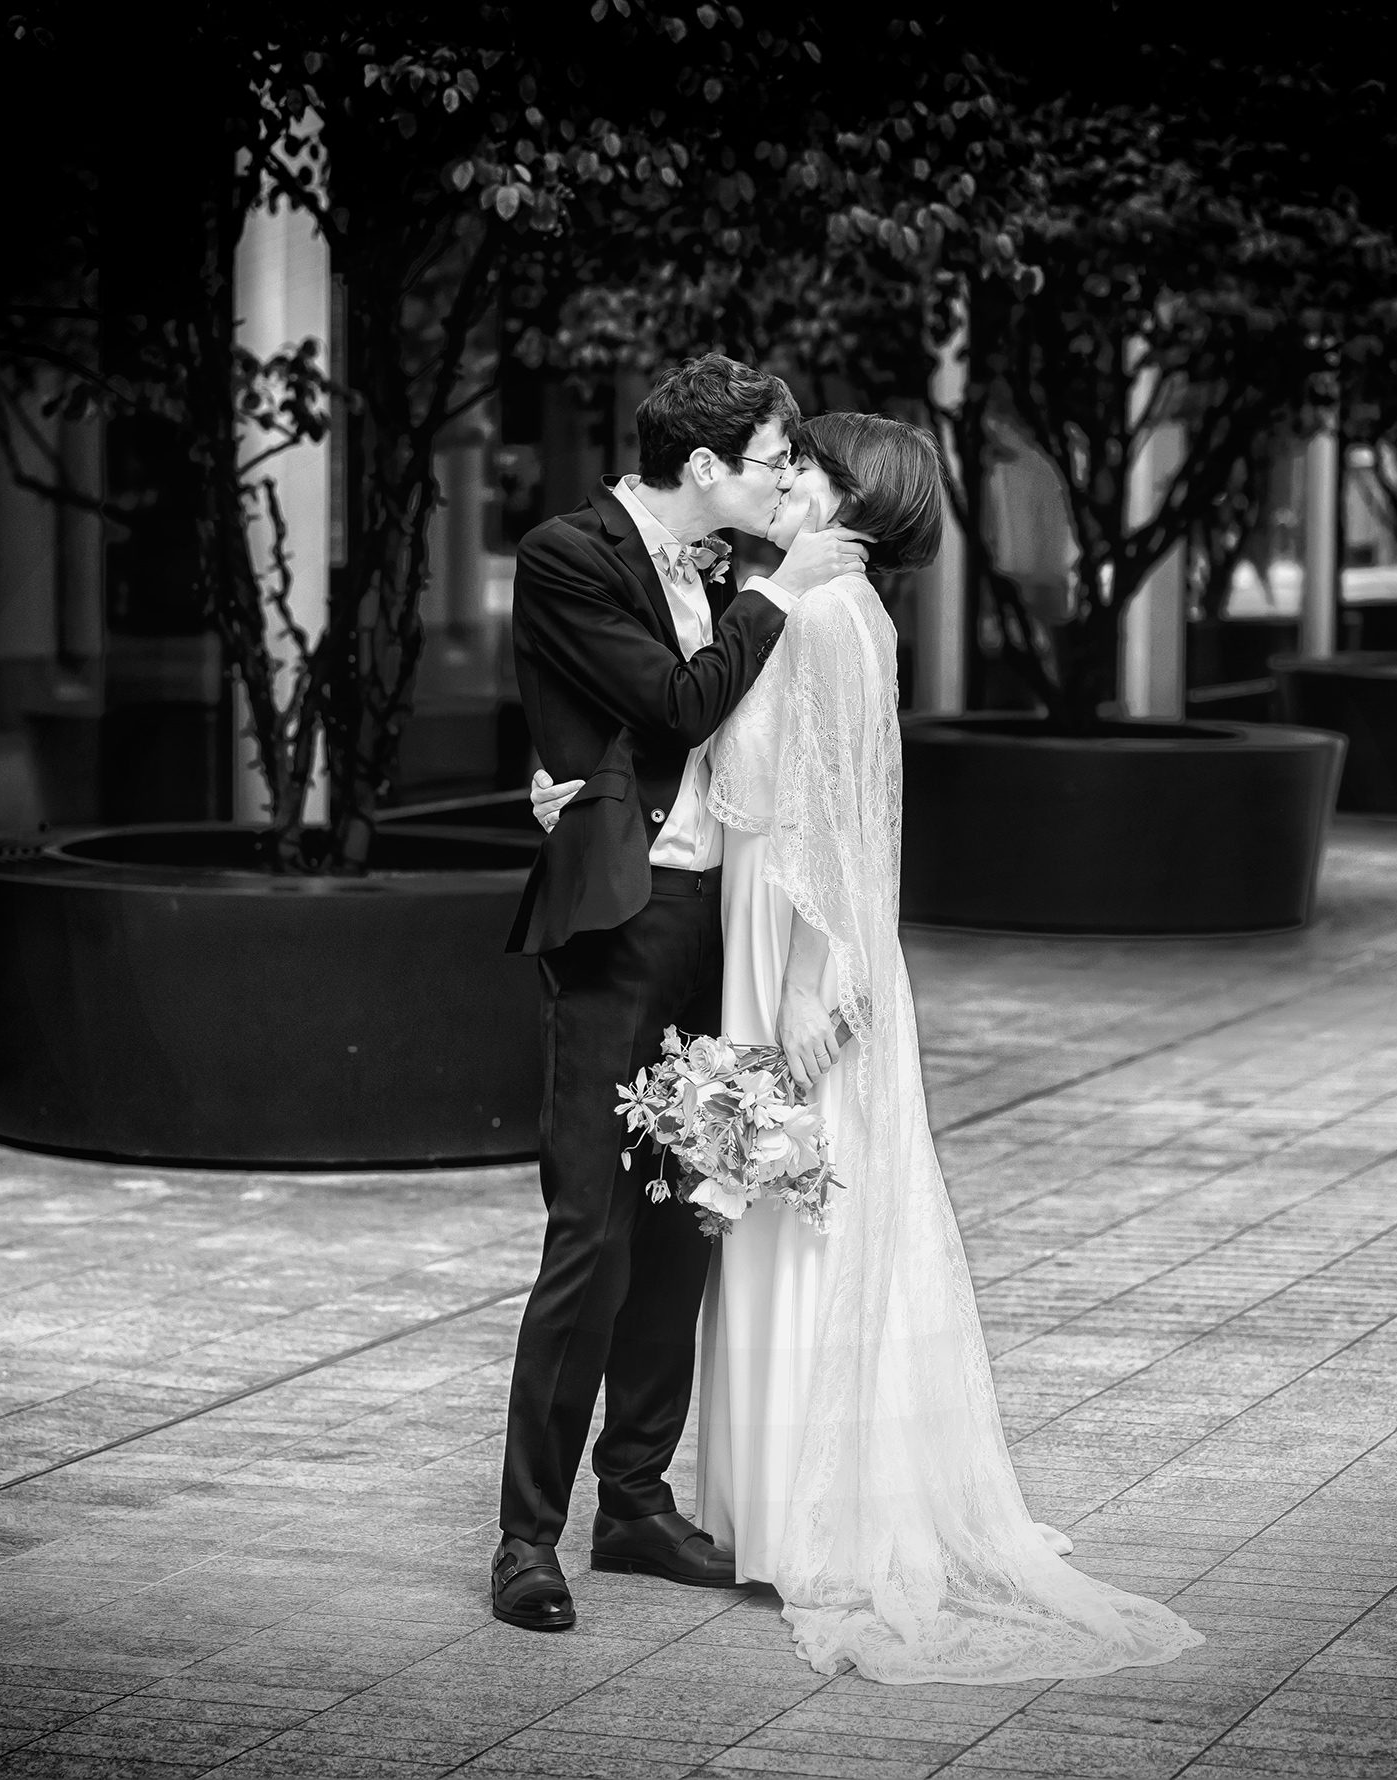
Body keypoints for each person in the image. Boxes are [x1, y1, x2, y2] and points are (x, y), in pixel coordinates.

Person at [531, 413, 1201, 1683]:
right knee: (732, 1220)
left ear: (843, 497)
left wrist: (814, 982)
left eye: (805, 468)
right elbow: (700, 725)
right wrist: (577, 775)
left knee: (783, 1219)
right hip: (741, 937)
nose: (785, 480)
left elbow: (820, 816)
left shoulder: (825, 613)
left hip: (786, 955)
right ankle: (724, 1503)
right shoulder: (798, 600)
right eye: (777, 462)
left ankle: (801, 1508)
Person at [492, 355, 872, 1634]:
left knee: (687, 1215)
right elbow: (669, 699)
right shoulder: (566, 553)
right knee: (591, 1226)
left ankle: (638, 1500)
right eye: (771, 460)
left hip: (725, 921)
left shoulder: (717, 574)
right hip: (625, 919)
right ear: (703, 467)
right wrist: (775, 592)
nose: (784, 480)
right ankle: (524, 1540)